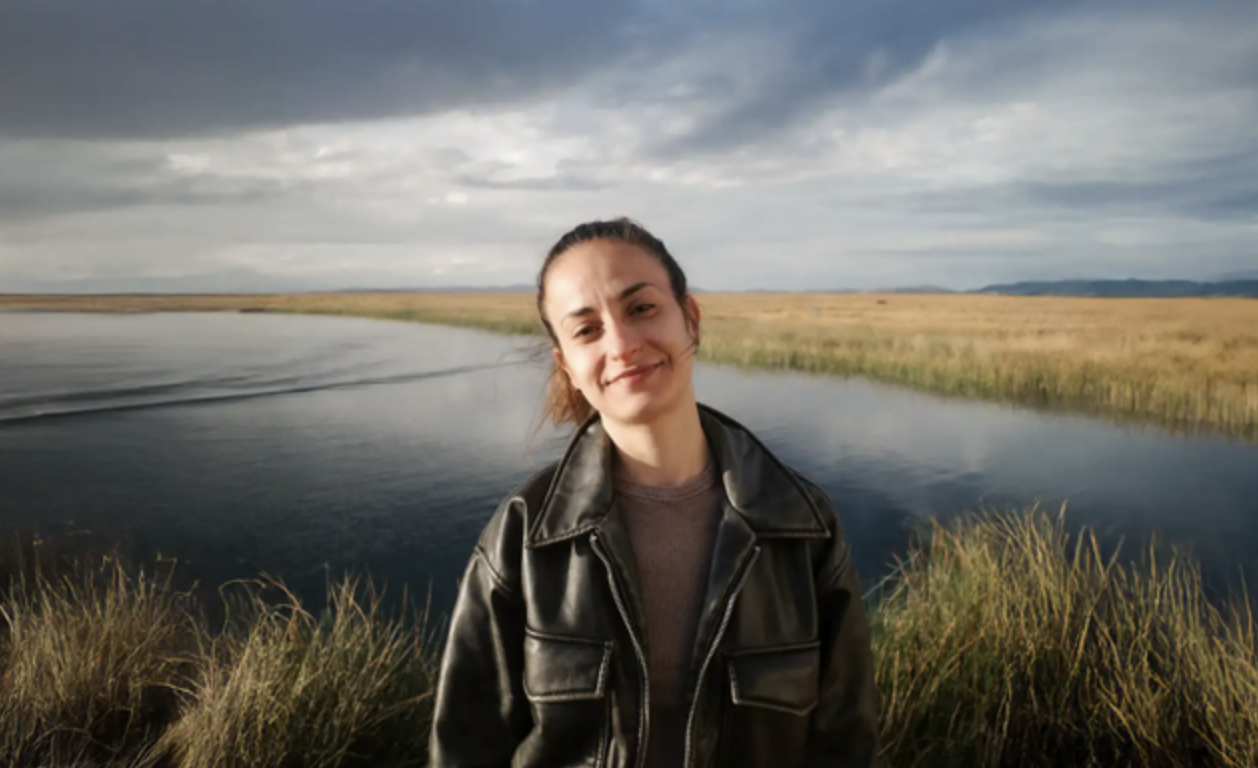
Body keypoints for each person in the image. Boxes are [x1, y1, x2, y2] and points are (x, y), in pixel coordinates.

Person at [429, 217, 879, 768]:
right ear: (566, 365)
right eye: (586, 330)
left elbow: (844, 744)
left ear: (691, 320)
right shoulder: (525, 535)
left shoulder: (801, 525)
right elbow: (466, 748)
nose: (621, 345)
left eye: (641, 308)